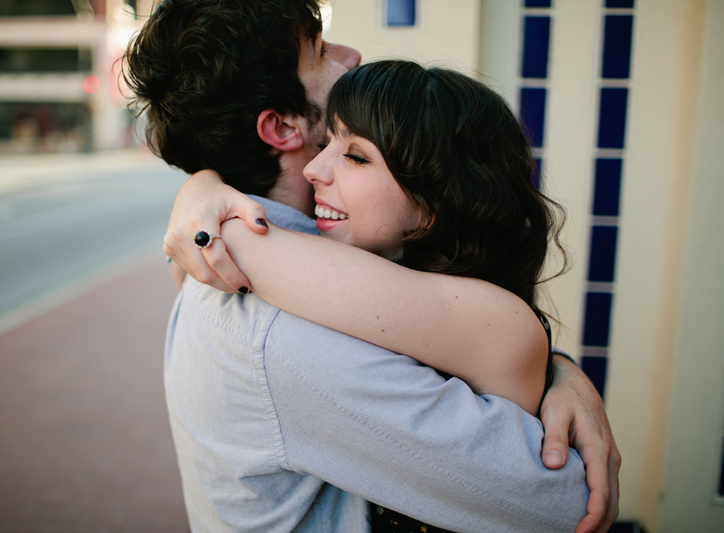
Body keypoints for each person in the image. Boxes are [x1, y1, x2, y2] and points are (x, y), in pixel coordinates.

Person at [124, 1, 620, 531]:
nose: (350, 55)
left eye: (355, 154)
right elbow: (563, 500)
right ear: (282, 126)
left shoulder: (289, 254)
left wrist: (555, 374)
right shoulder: (280, 326)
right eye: (320, 50)